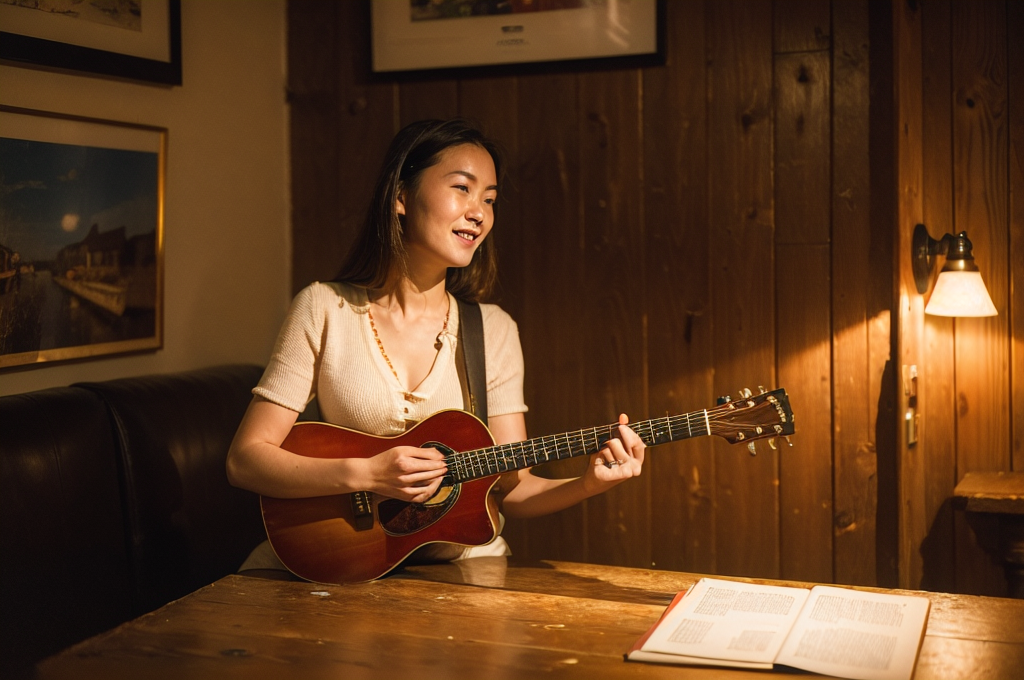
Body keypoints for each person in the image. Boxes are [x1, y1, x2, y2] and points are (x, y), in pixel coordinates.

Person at [226, 118, 645, 576]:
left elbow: (512, 489)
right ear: (401, 196)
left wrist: (588, 483)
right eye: (463, 189)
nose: (479, 212)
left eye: (489, 199)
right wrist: (368, 474)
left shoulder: (493, 330)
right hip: (338, 562)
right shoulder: (323, 307)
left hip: (459, 569)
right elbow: (246, 461)